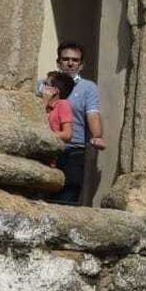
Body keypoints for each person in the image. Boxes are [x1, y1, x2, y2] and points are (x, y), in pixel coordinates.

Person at [53, 42, 104, 203]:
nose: (70, 63)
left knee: (68, 197)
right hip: (48, 148)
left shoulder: (88, 88)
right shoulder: (45, 84)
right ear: (58, 62)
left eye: (75, 60)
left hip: (73, 150)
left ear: (81, 65)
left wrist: (97, 135)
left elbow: (93, 113)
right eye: (65, 59)